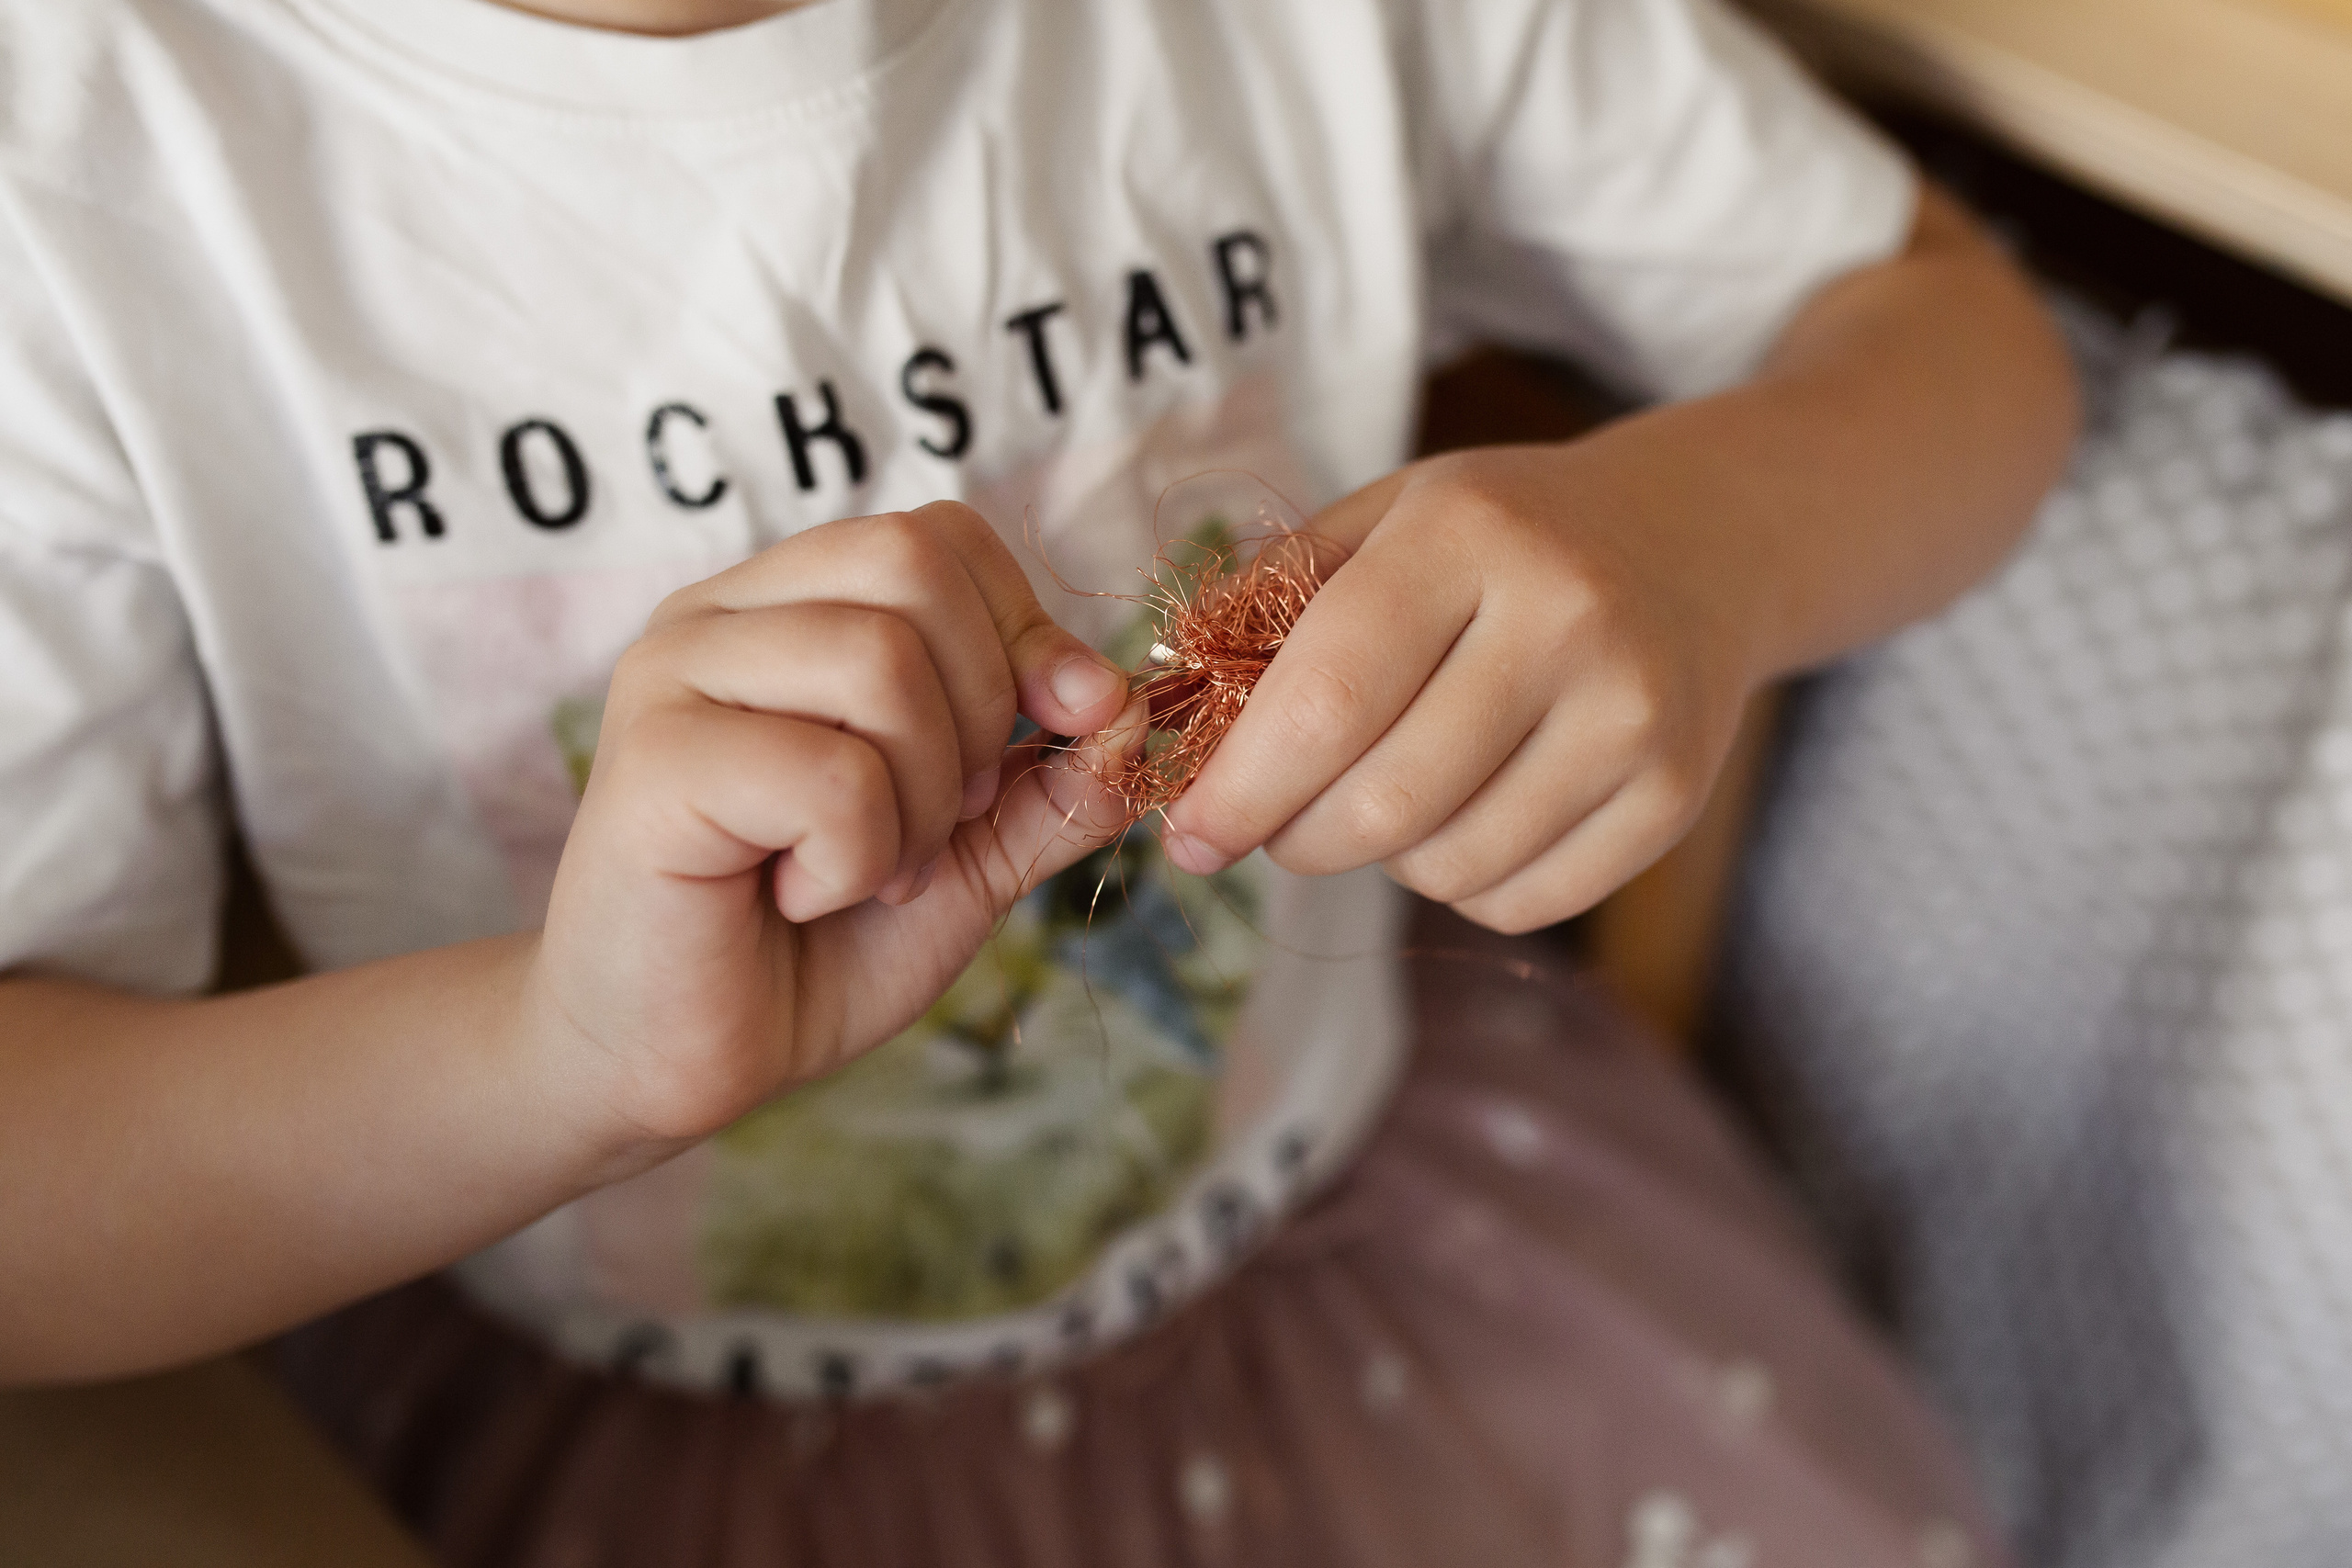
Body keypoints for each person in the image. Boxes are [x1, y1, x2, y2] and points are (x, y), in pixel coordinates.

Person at [0, 0, 2075, 1562]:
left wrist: (1696, 542)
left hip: (1410, 1241)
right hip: (610, 1432)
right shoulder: (75, 173)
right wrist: (564, 1058)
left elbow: (1959, 351)